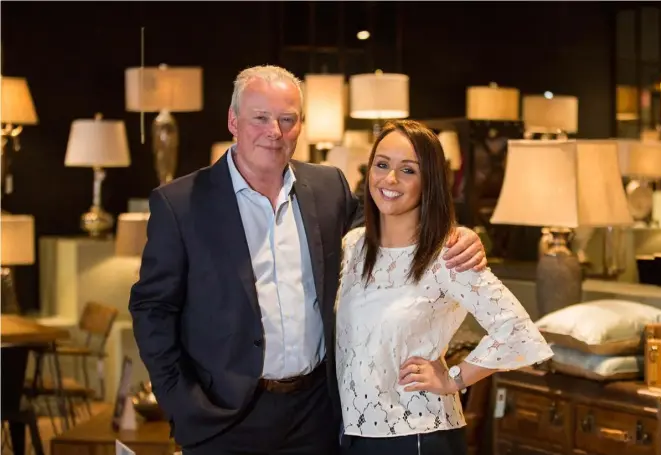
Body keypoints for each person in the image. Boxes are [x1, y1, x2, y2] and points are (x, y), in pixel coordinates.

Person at [128, 65, 487, 455]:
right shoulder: (180, 204)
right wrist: (184, 406)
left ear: (301, 124)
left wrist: (456, 233)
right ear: (233, 120)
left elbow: (389, 228)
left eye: (287, 119)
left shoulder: (327, 186)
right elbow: (152, 310)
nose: (274, 132)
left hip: (317, 413)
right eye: (260, 118)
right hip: (225, 419)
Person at [335, 120, 554, 455]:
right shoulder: (353, 247)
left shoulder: (448, 254)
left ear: (429, 182)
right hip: (354, 435)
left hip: (419, 436)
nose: (390, 179)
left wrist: (454, 378)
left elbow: (517, 330)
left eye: (408, 170)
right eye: (382, 165)